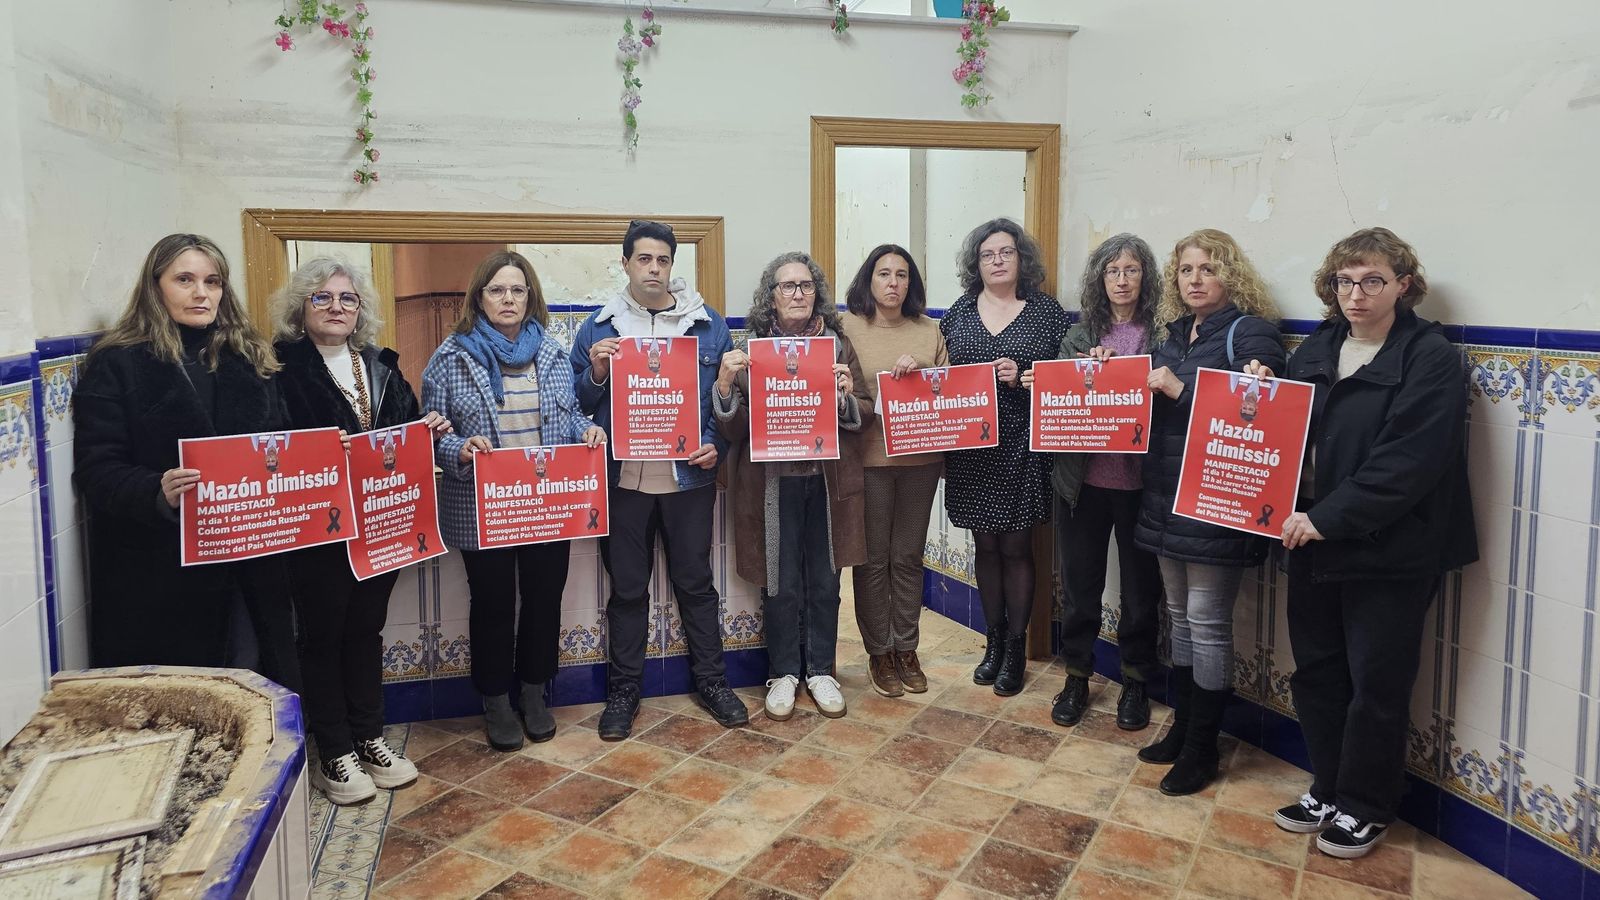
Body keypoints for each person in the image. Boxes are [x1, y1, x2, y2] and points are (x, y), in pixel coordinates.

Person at [1252, 228, 1476, 858]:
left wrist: (1328, 517)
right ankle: (1329, 786)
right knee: (1319, 672)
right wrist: (1263, 389)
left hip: (1391, 549)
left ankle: (1367, 805)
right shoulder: (1320, 346)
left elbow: (1408, 461)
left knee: (1376, 682)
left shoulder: (1428, 356)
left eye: (1372, 280)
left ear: (1403, 284)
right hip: (1311, 539)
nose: (1356, 294)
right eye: (1345, 281)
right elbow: (1290, 434)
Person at [73, 233, 300, 691]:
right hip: (160, 571)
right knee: (180, 697)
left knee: (253, 681)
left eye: (213, 281)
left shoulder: (250, 355)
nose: (202, 292)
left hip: (247, 560)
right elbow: (96, 470)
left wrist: (320, 456)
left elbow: (280, 442)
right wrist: (156, 490)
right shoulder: (118, 362)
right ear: (155, 286)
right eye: (185, 279)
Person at [272, 257, 451, 804]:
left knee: (365, 631)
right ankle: (334, 750)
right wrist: (325, 452)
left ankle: (369, 736)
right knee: (323, 635)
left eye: (346, 299)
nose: (335, 307)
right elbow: (269, 445)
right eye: (321, 297)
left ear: (361, 310)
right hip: (319, 530)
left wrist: (427, 434)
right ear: (300, 308)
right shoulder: (278, 369)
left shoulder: (380, 365)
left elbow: (403, 428)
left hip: (381, 525)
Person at [570, 220, 748, 739]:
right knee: (627, 591)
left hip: (688, 480)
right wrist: (597, 375)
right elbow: (574, 407)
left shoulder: (707, 324)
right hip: (623, 483)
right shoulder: (598, 329)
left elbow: (725, 397)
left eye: (663, 260)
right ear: (625, 263)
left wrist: (717, 440)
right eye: (643, 259)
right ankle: (624, 692)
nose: (654, 268)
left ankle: (712, 682)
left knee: (695, 584)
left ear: (673, 266)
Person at [422, 251, 605, 752]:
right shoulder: (451, 356)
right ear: (479, 297)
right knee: (494, 605)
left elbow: (566, 417)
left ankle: (533, 692)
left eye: (518, 290)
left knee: (546, 599)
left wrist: (586, 430)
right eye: (498, 290)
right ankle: (496, 700)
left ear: (531, 298)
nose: (508, 299)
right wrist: (458, 446)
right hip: (485, 508)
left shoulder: (549, 350)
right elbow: (431, 430)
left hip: (546, 502)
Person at [1133, 228, 1285, 796]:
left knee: (1208, 623)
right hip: (1166, 494)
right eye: (1186, 270)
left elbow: (1261, 414)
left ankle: (1203, 748)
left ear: (1231, 275)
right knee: (1179, 615)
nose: (1195, 280)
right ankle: (1183, 725)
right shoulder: (1174, 334)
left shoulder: (1253, 336)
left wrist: (1180, 391)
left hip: (1218, 496)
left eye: (1208, 269)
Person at [713, 252, 872, 721]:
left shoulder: (838, 348)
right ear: (772, 297)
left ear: (816, 292)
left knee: (825, 579)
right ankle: (783, 673)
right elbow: (733, 430)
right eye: (788, 286)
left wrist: (845, 397)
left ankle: (821, 670)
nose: (798, 293)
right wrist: (725, 385)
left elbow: (863, 410)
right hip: (772, 484)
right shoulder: (752, 351)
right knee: (780, 582)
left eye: (805, 285)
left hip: (826, 483)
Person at [1020, 233, 1164, 730]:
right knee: (1081, 587)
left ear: (1145, 277)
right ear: (1099, 280)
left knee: (1141, 593)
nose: (1121, 280)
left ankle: (1135, 683)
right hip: (1081, 483)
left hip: (1142, 487)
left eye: (1131, 270)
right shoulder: (1081, 335)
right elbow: (1058, 394)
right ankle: (1077, 676)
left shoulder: (1163, 335)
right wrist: (1044, 383)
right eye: (1111, 271)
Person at [940, 218, 1070, 696]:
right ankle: (992, 643)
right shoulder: (957, 313)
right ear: (977, 263)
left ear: (1021, 259)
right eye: (988, 254)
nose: (997, 261)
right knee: (985, 548)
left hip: (1021, 445)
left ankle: (1017, 648)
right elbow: (940, 372)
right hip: (972, 449)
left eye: (1006, 252)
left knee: (1016, 548)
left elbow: (1069, 383)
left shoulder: (1046, 313)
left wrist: (1025, 374)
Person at [840, 244, 948, 697]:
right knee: (872, 560)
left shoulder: (930, 331)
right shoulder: (846, 326)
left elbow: (953, 392)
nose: (893, 283)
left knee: (907, 556)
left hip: (921, 462)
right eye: (883, 274)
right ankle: (879, 652)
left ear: (912, 283)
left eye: (902, 275)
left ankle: (907, 647)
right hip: (870, 461)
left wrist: (925, 369)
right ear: (869, 280)